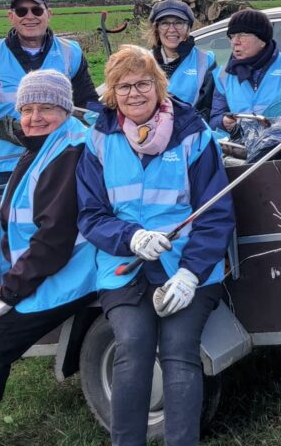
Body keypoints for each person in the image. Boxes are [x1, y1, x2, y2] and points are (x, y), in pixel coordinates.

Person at [77, 45, 234, 445]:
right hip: (124, 270)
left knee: (180, 350)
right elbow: (90, 215)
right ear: (112, 93)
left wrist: (189, 274)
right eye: (124, 86)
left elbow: (215, 213)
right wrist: (130, 237)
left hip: (187, 269)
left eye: (143, 83)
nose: (135, 93)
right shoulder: (100, 138)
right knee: (132, 346)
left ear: (158, 86)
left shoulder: (193, 132)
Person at [0, 70, 96, 446]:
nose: (35, 116)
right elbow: (17, 214)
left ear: (65, 108)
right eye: (27, 108)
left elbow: (54, 239)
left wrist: (10, 291)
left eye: (46, 107)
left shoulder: (69, 151)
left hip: (71, 275)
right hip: (44, 271)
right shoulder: (41, 145)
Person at [0, 0, 101, 188]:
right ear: (11, 17)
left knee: (61, 217)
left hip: (61, 155)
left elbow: (88, 104)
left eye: (36, 10)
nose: (29, 16)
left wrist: (110, 122)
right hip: (6, 164)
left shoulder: (71, 52)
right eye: (22, 11)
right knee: (11, 217)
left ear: (49, 14)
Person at [209, 8, 281, 137]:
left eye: (243, 35)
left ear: (262, 40)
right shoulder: (223, 75)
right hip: (243, 152)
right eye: (232, 36)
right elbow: (214, 121)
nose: (235, 42)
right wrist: (223, 122)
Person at [146, 0, 217, 120]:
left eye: (178, 23)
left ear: (188, 28)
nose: (172, 29)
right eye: (164, 23)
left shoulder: (205, 61)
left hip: (190, 133)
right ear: (156, 28)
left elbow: (207, 109)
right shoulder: (144, 61)